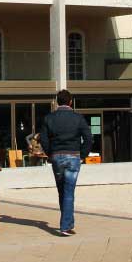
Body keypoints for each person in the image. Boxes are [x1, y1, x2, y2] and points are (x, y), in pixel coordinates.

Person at [40, 90, 93, 236]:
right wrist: (82, 155)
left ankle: (67, 222)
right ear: (70, 101)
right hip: (73, 156)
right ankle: (65, 226)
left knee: (62, 190)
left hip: (56, 156)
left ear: (57, 101)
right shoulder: (78, 118)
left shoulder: (49, 118)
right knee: (69, 191)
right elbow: (88, 138)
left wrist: (50, 153)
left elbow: (43, 139)